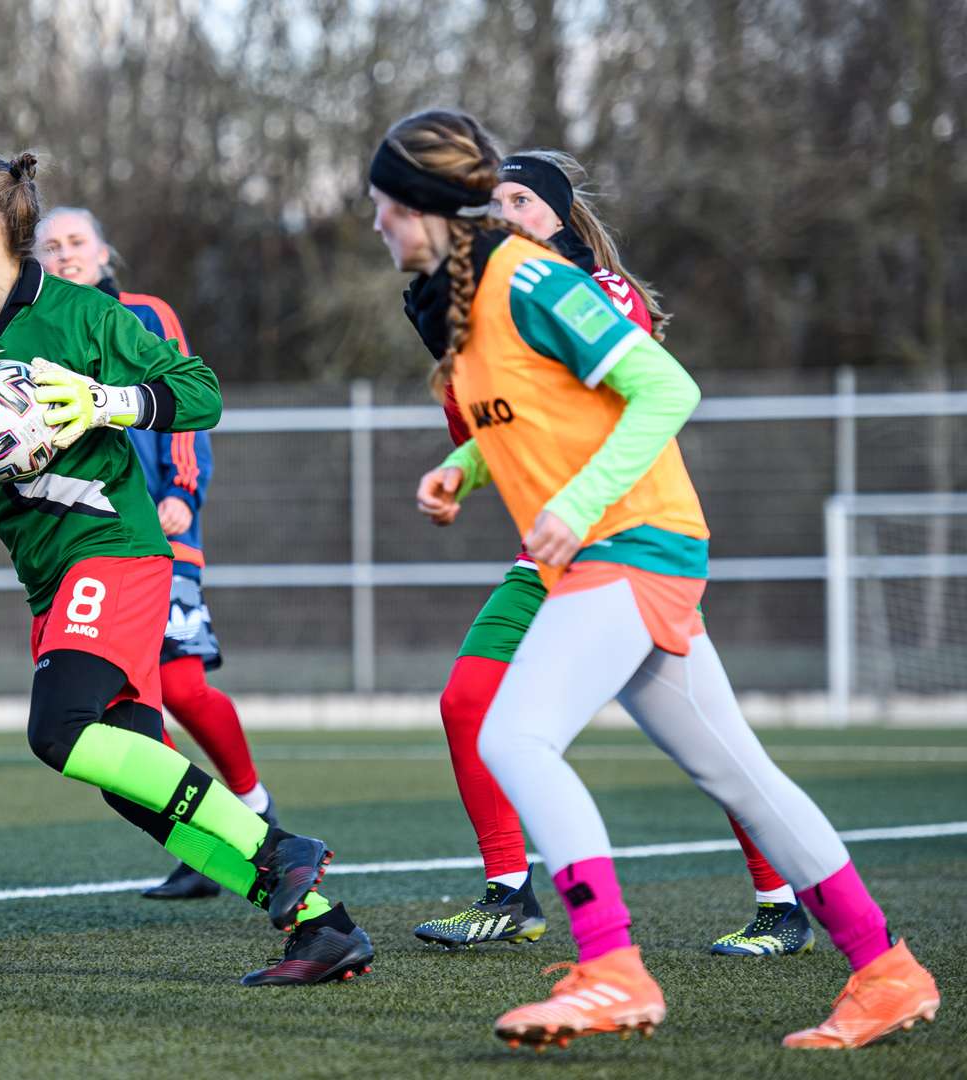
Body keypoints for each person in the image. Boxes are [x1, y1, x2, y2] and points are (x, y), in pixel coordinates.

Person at [370, 107, 939, 1050]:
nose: (376, 224)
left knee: (512, 734)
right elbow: (539, 416)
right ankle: (886, 971)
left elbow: (668, 388)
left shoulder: (530, 276)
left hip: (632, 544)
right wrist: (463, 472)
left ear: (426, 206)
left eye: (385, 205)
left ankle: (611, 969)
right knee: (742, 776)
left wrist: (581, 503)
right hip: (615, 551)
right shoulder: (467, 302)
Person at [0, 151, 370, 986]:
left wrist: (105, 400)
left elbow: (200, 392)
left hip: (117, 551)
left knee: (60, 729)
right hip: (50, 579)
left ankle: (279, 846)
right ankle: (321, 926)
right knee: (130, 780)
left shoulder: (81, 315)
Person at [410, 150, 803, 958]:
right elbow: (509, 427)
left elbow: (647, 395)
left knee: (714, 751)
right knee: (467, 703)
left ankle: (778, 903)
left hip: (630, 548)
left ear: (557, 214)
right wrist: (461, 464)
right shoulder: (485, 306)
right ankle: (509, 893)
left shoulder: (590, 292)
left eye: (523, 199)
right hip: (551, 556)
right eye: (497, 202)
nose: (508, 213)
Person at [36, 206, 278, 900]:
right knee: (126, 709)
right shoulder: (41, 333)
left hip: (160, 533)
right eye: (50, 247)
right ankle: (205, 840)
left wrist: (182, 490)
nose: (64, 255)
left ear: (105, 251)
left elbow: (180, 398)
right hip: (91, 544)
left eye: (77, 242)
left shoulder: (142, 314)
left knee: (181, 686)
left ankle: (257, 813)